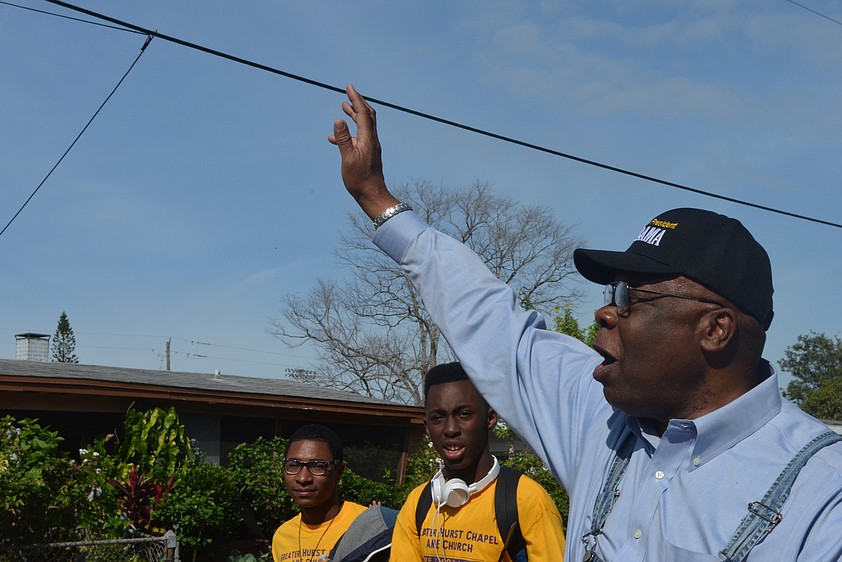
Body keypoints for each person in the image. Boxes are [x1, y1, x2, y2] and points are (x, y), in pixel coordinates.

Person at [327, 85, 842, 561]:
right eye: (609, 293)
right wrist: (377, 199)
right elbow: (489, 319)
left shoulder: (821, 494)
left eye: (630, 297)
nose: (604, 312)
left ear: (715, 329)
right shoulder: (599, 418)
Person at [391, 362, 565, 561]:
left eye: (463, 414)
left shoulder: (527, 501)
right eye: (438, 417)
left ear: (490, 418)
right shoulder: (419, 503)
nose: (450, 429)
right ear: (427, 427)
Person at [272, 424, 367, 562]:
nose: (303, 478)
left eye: (317, 466)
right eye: (293, 465)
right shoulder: (282, 536)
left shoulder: (365, 526)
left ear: (339, 471)